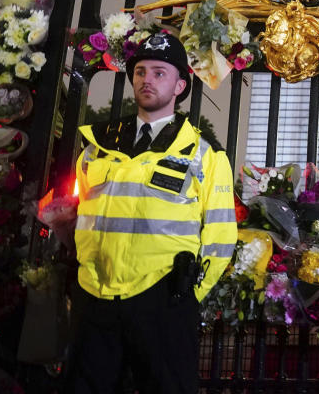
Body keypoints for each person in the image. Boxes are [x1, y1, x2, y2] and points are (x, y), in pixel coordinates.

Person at [64, 32, 238, 394]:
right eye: (140, 71)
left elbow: (221, 237)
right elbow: (81, 212)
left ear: (180, 86)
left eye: (160, 72)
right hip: (95, 298)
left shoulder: (203, 155)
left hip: (163, 300)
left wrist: (188, 297)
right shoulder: (97, 146)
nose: (147, 79)